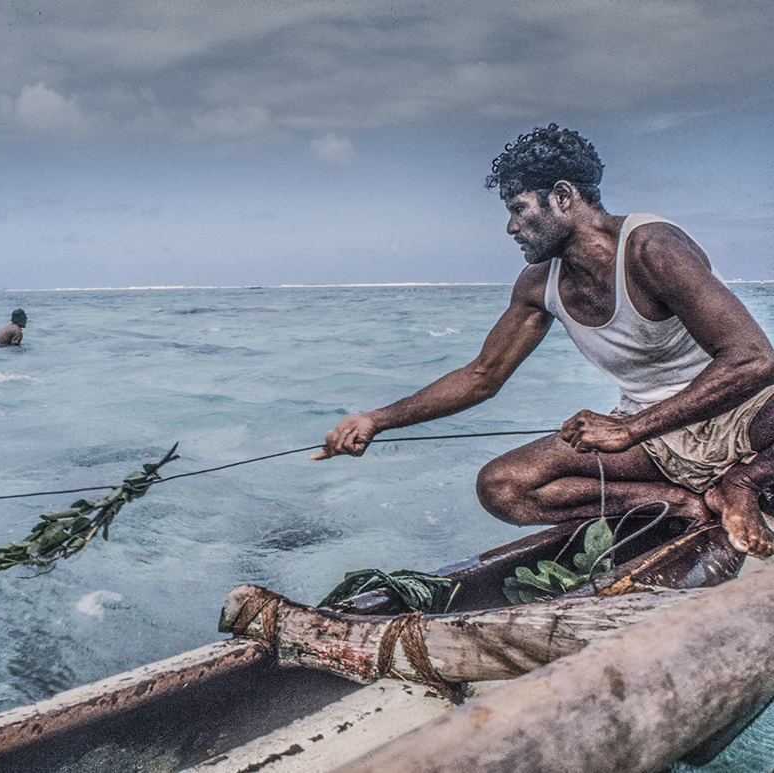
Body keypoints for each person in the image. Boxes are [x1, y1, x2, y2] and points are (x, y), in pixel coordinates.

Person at [313, 124, 774, 558]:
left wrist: (629, 429)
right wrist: (376, 419)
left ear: (562, 196)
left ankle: (745, 482)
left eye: (518, 209)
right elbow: (481, 376)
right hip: (657, 443)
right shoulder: (539, 285)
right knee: (503, 486)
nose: (511, 227)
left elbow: (752, 359)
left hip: (747, 415)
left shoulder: (651, 248)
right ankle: (684, 504)